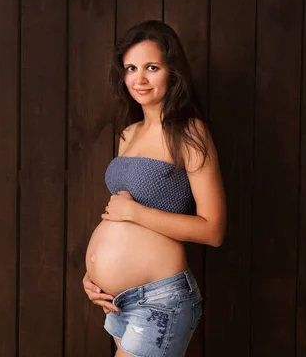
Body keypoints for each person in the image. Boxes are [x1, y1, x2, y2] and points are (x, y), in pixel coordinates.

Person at [82, 20, 227, 357]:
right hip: (119, 302)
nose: (140, 78)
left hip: (161, 300)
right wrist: (94, 276)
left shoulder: (190, 133)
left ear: (172, 73)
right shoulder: (128, 134)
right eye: (131, 68)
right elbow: (118, 222)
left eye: (152, 67)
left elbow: (214, 230)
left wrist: (134, 212)